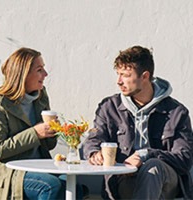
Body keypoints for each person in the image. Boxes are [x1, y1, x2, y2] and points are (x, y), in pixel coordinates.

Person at [83, 45, 193, 199]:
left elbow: (185, 159)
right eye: (118, 74)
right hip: (123, 179)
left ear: (145, 76)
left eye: (125, 75)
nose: (119, 81)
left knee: (152, 168)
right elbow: (94, 138)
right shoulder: (109, 107)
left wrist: (146, 155)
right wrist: (94, 152)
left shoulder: (176, 112)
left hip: (165, 182)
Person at [0, 47, 83, 200]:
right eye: (39, 70)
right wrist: (36, 133)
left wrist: (52, 131)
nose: (45, 74)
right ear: (23, 74)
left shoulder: (40, 96)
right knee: (51, 186)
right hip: (2, 171)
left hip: (35, 165)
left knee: (76, 188)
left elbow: (48, 146)